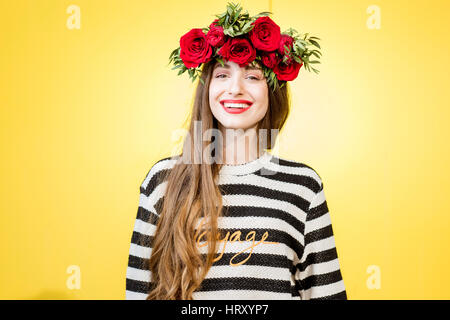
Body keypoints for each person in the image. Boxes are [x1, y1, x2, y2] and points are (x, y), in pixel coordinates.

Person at [126, 3, 347, 300]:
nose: (235, 89)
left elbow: (327, 294)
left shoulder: (303, 186)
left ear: (272, 90)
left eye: (253, 76)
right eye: (222, 75)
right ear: (206, 88)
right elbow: (138, 293)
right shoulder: (162, 181)